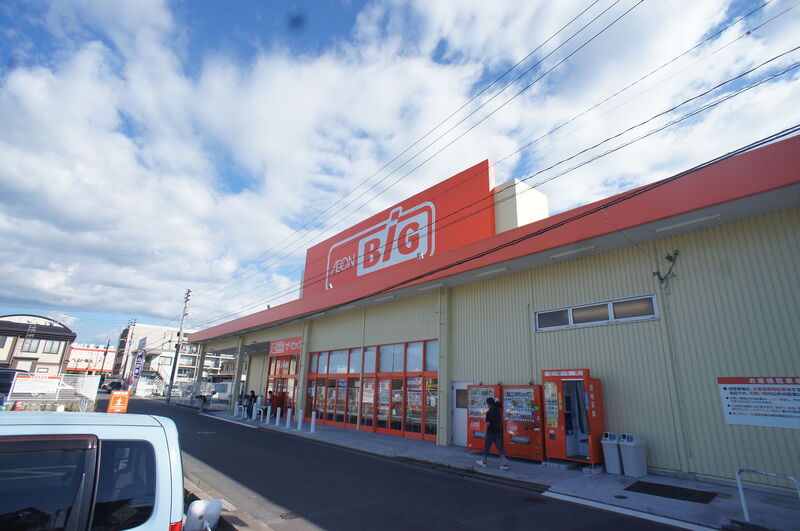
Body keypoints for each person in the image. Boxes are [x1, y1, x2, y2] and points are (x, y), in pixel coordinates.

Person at [476, 397, 509, 470]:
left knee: (486, 448)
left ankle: (484, 462)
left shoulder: (488, 412)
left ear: (488, 404)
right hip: (498, 432)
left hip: (490, 433)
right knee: (500, 448)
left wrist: (484, 429)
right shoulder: (498, 411)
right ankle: (504, 464)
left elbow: (487, 423)